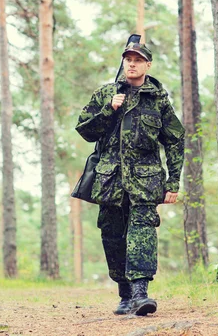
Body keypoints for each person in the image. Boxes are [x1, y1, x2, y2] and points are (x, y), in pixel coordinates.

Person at [75, 41, 185, 316]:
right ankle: (124, 294)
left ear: (148, 65)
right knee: (112, 236)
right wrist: (108, 110)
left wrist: (173, 183)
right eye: (128, 59)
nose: (132, 63)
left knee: (142, 234)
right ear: (123, 63)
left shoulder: (158, 99)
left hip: (145, 181)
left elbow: (175, 139)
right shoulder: (106, 94)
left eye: (138, 59)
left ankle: (140, 294)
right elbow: (85, 130)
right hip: (110, 180)